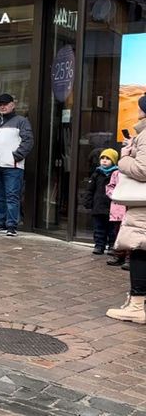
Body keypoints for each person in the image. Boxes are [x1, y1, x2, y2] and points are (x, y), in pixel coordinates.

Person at [106, 95, 146, 324]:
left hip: (143, 205)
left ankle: (136, 306)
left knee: (139, 248)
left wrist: (124, 159)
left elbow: (142, 169)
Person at [0, 93, 34, 237]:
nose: (2, 107)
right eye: (0, 104)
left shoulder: (21, 121)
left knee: (12, 196)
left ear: (12, 105)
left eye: (5, 104)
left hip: (12, 166)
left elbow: (28, 141)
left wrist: (16, 156)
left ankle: (11, 225)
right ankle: (1, 223)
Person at [85, 148, 121, 255]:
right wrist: (88, 201)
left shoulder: (116, 174)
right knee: (99, 228)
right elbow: (90, 189)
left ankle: (112, 246)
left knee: (112, 229)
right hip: (98, 206)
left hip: (111, 207)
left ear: (113, 161)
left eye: (108, 159)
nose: (104, 160)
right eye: (102, 158)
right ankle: (99, 245)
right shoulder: (96, 173)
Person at [106, 163, 129, 266]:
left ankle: (129, 257)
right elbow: (110, 187)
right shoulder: (116, 173)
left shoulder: (137, 174)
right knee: (118, 233)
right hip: (118, 209)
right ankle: (119, 255)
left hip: (132, 207)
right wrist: (116, 196)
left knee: (130, 233)